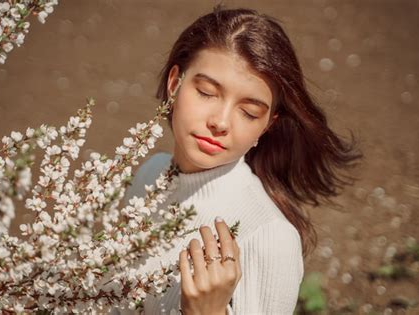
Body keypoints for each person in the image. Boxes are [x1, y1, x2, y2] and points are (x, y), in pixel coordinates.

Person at [115, 4, 362, 315]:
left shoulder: (270, 237)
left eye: (249, 112)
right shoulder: (150, 174)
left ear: (267, 125)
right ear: (175, 83)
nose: (220, 121)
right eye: (206, 92)